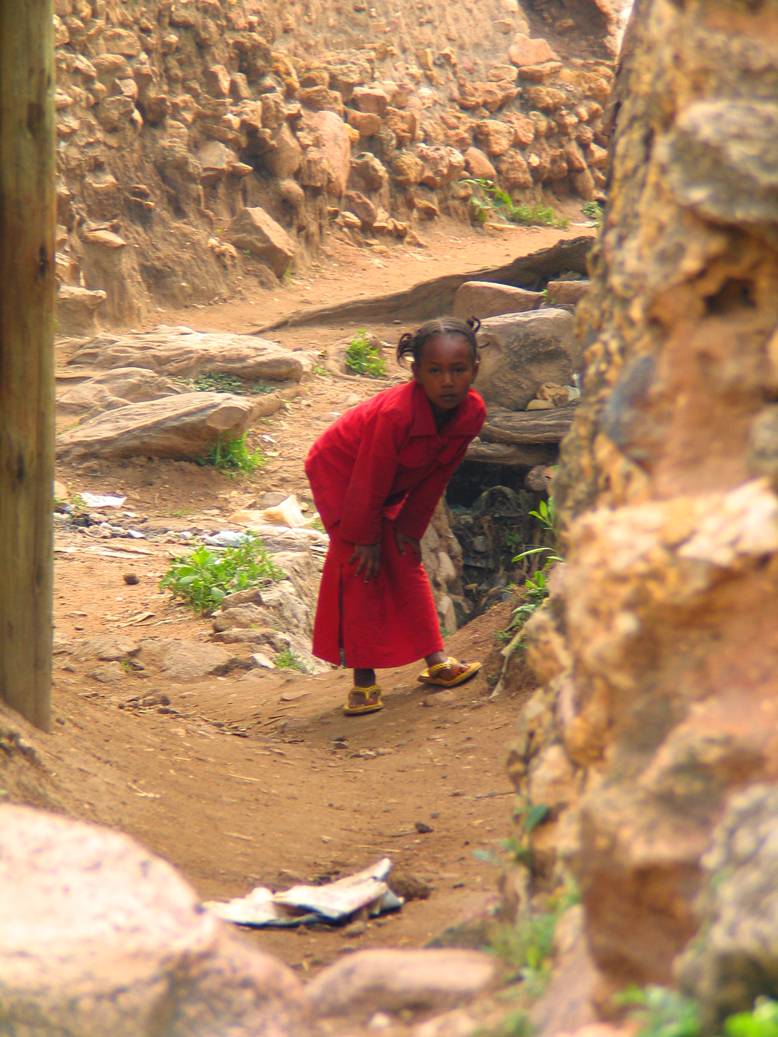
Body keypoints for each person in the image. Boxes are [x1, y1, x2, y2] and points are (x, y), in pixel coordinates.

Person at [305, 317, 487, 716]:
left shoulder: (472, 411)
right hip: (340, 473)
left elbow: (439, 472)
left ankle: (436, 660)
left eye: (458, 370)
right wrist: (365, 538)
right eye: (435, 371)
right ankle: (363, 681)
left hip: (387, 482)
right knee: (359, 566)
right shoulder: (395, 416)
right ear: (416, 372)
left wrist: (409, 527)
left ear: (475, 368)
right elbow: (368, 479)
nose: (448, 382)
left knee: (404, 558)